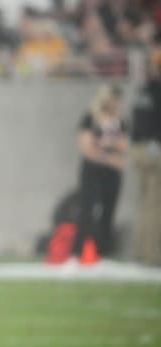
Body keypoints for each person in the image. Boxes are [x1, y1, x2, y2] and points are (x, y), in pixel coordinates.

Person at [72, 84, 129, 259]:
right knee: (88, 209)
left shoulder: (121, 121)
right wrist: (108, 155)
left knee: (108, 210)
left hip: (112, 173)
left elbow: (124, 145)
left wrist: (107, 145)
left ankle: (103, 250)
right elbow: (87, 146)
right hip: (92, 170)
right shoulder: (91, 118)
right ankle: (80, 250)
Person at [129, 47, 161, 266]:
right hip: (153, 148)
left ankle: (140, 251)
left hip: (138, 148)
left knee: (144, 201)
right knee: (155, 203)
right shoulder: (158, 91)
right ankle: (152, 254)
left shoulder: (142, 91)